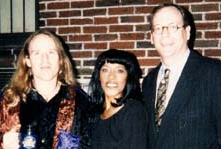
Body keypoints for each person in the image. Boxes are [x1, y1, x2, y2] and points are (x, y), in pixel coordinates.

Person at [0, 30, 90, 149]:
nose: (45, 59)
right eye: (37, 53)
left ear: (60, 59)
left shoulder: (80, 100)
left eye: (51, 52)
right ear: (27, 61)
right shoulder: (9, 98)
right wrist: (1, 143)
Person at [142, 3, 221, 149]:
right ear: (151, 37)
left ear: (188, 32)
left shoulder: (214, 74)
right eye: (158, 28)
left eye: (173, 27)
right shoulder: (148, 82)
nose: (165, 34)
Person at [88, 49, 148, 149]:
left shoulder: (133, 110)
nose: (111, 76)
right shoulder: (94, 113)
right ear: (98, 76)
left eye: (119, 71)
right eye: (105, 70)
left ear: (128, 77)